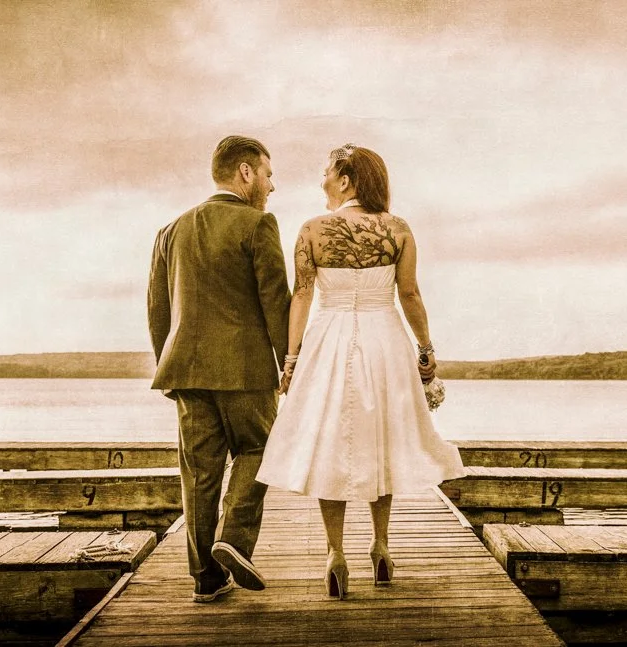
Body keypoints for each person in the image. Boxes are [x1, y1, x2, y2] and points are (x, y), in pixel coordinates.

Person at [256, 143, 467, 600]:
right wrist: (426, 348)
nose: (321, 180)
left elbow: (302, 297)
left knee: (332, 441)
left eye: (326, 172)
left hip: (329, 340)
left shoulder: (313, 229)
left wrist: (291, 360)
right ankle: (382, 546)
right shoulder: (398, 229)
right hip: (385, 340)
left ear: (346, 179)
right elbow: (409, 294)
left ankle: (335, 554)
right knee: (381, 441)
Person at [147, 135, 290, 603]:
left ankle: (206, 578)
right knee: (261, 448)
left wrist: (168, 366)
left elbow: (157, 311)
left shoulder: (171, 230)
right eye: (268, 174)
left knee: (199, 473)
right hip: (247, 371)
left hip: (185, 370)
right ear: (245, 172)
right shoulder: (258, 225)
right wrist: (292, 363)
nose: (272, 185)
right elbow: (276, 303)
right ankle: (234, 538)